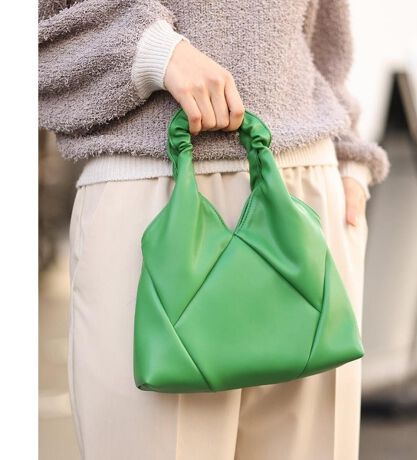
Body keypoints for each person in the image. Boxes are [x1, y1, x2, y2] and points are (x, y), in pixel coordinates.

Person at [39, 0, 389, 459]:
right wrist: (152, 49)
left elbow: (326, 35)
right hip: (151, 192)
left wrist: (349, 155)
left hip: (307, 191)